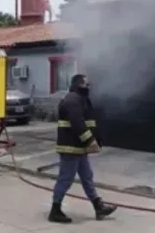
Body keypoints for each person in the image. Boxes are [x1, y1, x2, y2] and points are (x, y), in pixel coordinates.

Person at [48, 74, 117, 223]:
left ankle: (98, 207)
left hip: (79, 147)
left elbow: (89, 122)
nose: (89, 87)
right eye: (86, 84)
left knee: (87, 177)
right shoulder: (72, 99)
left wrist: (97, 139)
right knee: (66, 178)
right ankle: (55, 210)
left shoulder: (82, 100)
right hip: (70, 147)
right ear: (79, 84)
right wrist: (90, 140)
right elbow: (78, 123)